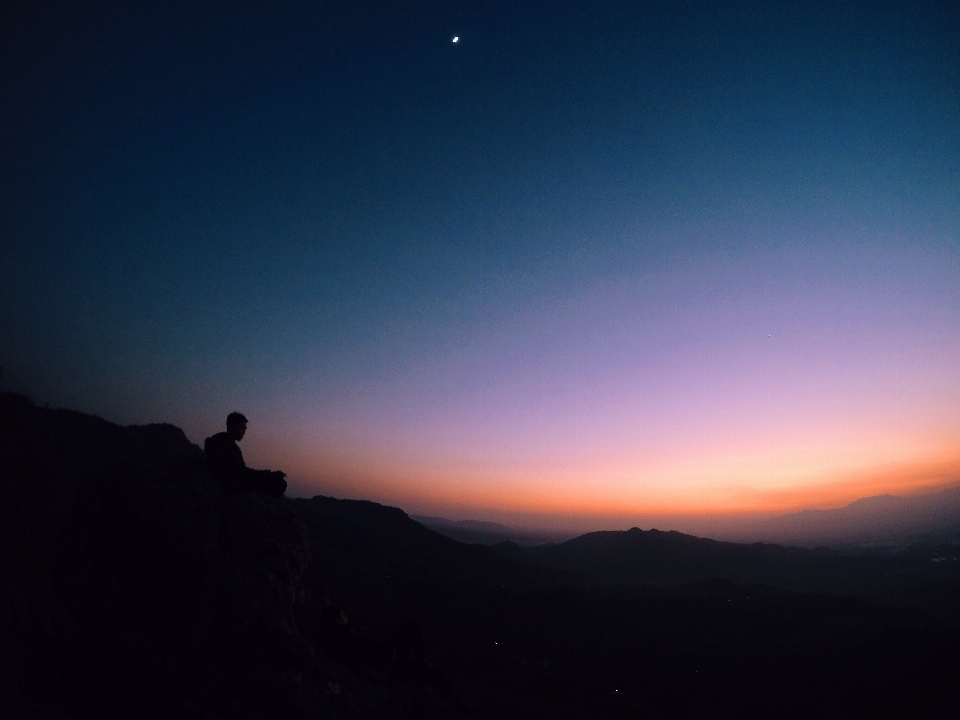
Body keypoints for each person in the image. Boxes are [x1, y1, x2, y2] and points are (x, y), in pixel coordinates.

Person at [204, 412, 287, 497]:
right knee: (280, 484)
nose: (243, 432)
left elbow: (241, 470)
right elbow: (242, 472)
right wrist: (270, 475)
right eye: (241, 428)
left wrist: (269, 474)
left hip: (233, 482)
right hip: (232, 485)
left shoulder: (223, 441)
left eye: (245, 429)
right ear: (230, 426)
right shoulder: (225, 443)